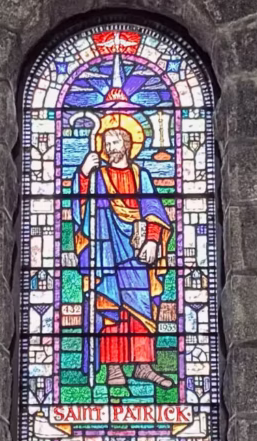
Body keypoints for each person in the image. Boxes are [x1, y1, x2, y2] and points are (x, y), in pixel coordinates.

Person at [72, 124, 174, 388]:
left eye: (114, 144)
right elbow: (82, 208)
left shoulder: (142, 175)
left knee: (142, 306)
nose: (109, 149)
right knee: (109, 306)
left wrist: (152, 240)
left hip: (137, 250)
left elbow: (154, 209)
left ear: (128, 145)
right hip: (106, 250)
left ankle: (143, 366)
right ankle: (113, 368)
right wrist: (83, 173)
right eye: (106, 144)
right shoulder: (97, 175)